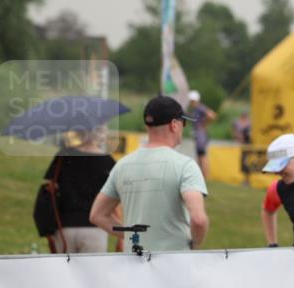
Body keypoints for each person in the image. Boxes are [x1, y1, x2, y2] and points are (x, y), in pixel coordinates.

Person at [90, 96, 209, 251]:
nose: (183, 128)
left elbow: (97, 215)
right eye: (183, 123)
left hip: (134, 259)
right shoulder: (186, 166)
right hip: (175, 258)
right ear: (174, 125)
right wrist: (195, 244)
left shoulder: (122, 165)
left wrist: (132, 236)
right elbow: (198, 220)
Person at [42, 128, 118, 253]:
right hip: (95, 229)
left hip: (64, 227)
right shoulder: (107, 161)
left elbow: (51, 187)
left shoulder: (63, 155)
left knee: (63, 266)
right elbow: (114, 199)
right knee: (93, 267)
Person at [186, 90, 217, 178]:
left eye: (192, 100)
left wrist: (203, 124)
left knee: (202, 155)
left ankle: (205, 176)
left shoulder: (200, 108)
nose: (191, 102)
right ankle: (202, 176)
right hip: (198, 134)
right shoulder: (195, 109)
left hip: (201, 134)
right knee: (200, 155)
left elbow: (212, 115)